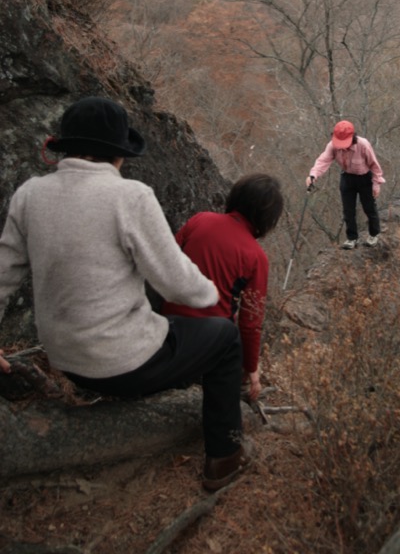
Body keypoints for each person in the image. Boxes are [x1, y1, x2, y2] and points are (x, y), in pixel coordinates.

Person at [0, 96, 252, 491]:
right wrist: (210, 293)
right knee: (224, 339)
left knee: (161, 321)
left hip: (65, 357)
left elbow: (3, 273)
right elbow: (177, 283)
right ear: (118, 155)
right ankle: (225, 457)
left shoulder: (29, 194)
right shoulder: (130, 197)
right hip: (120, 363)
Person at [162, 173, 283, 402]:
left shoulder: (200, 220)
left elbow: (166, 261)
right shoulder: (256, 257)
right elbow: (250, 323)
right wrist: (251, 368)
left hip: (166, 324)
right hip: (209, 341)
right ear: (267, 217)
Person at [306, 120, 385, 249]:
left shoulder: (363, 144)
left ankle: (374, 234)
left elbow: (374, 165)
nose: (342, 146)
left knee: (369, 207)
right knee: (348, 210)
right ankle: (352, 238)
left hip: (365, 179)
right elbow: (323, 160)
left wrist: (376, 184)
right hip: (347, 178)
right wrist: (313, 175)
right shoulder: (332, 146)